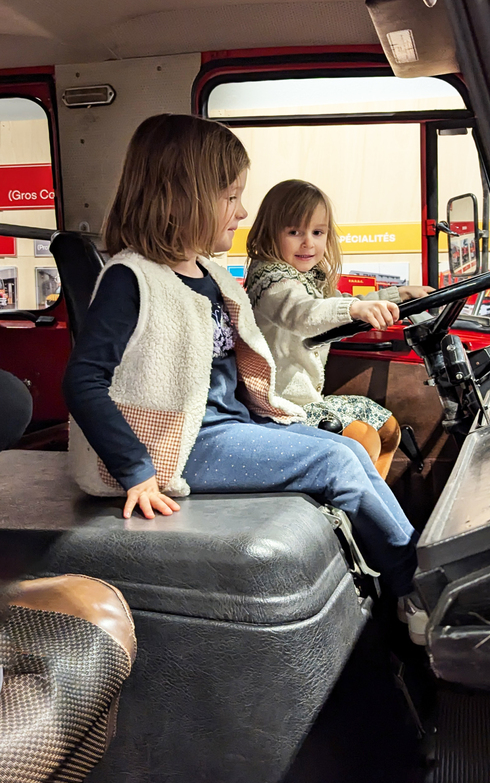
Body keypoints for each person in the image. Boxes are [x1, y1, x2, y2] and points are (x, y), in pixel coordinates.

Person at [62, 114, 428, 643]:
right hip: (179, 445)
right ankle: (413, 587)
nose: (243, 211)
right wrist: (136, 471)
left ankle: (414, 568)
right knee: (334, 461)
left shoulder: (208, 274)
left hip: (227, 425)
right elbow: (83, 381)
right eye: (231, 197)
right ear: (183, 198)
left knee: (347, 449)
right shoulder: (130, 278)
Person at [244, 179, 432, 478]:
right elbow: (302, 313)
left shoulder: (307, 278)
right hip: (277, 407)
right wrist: (353, 309)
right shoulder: (271, 281)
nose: (308, 243)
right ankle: (352, 499)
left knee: (387, 429)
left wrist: (398, 295)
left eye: (317, 232)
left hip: (306, 400)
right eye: (294, 232)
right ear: (269, 233)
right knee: (363, 439)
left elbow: (340, 305)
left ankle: (368, 493)